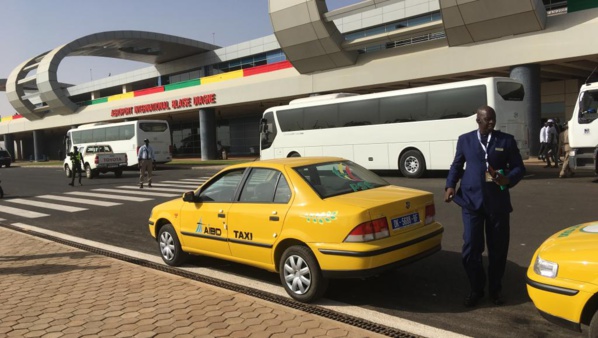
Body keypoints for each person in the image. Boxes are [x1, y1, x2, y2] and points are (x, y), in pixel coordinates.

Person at [444, 105, 526, 307]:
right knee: (471, 248)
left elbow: (519, 167)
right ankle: (476, 288)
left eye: (493, 119)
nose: (491, 122)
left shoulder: (505, 140)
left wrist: (507, 179)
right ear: (478, 120)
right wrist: (450, 185)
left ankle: (495, 290)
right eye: (487, 119)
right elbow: (457, 164)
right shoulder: (466, 140)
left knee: (498, 250)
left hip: (497, 204)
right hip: (471, 202)